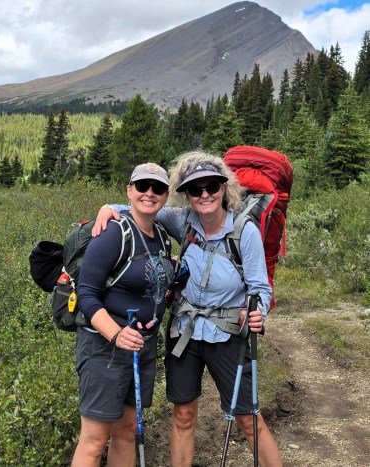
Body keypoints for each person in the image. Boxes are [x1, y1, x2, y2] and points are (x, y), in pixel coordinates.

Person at [93, 151, 283, 467]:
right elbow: (142, 207)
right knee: (182, 415)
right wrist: (109, 208)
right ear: (186, 195)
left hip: (229, 335)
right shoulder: (181, 221)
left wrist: (257, 312)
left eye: (211, 186)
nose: (204, 194)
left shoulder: (244, 230)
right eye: (195, 189)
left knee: (247, 419)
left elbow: (259, 289)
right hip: (185, 333)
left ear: (224, 188)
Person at [72, 162, 174, 466]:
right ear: (129, 191)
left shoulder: (162, 236)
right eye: (142, 186)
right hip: (106, 346)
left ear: (166, 195)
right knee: (94, 440)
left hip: (142, 345)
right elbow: (86, 293)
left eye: (157, 188)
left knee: (127, 431)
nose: (149, 193)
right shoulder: (113, 232)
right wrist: (116, 333)